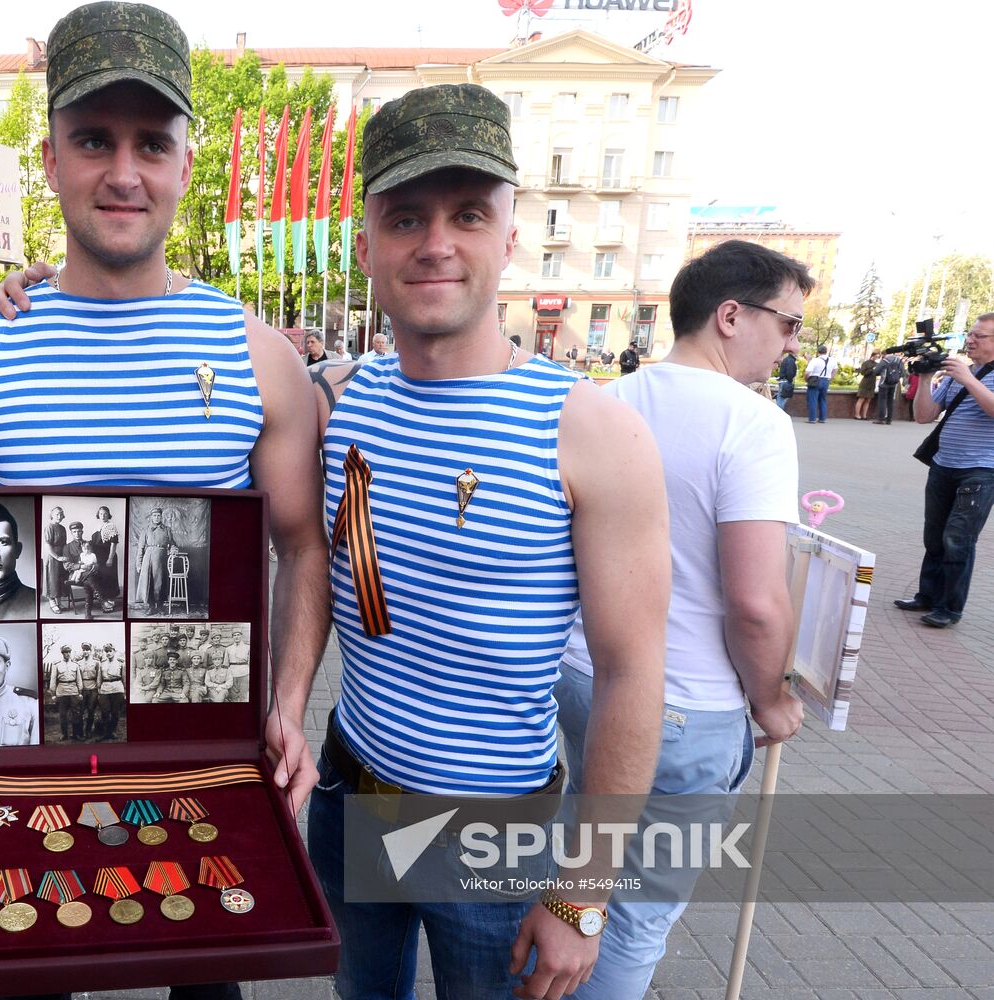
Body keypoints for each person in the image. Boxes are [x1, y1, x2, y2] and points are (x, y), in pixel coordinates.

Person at [0, 10, 329, 999]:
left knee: (208, 980)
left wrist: (290, 704)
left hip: (200, 740)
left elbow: (303, 548)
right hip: (24, 746)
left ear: (185, 163)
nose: (124, 171)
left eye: (151, 143)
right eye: (94, 139)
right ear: (49, 157)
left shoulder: (261, 358)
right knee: (29, 975)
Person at [300, 84, 671, 1000]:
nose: (435, 243)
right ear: (366, 245)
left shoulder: (588, 431)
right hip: (352, 799)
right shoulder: (336, 399)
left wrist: (584, 893)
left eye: (468, 214)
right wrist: (20, 301)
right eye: (405, 217)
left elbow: (633, 673)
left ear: (508, 235)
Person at [560, 237, 809, 997]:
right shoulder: (753, 423)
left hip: (582, 673)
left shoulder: (606, 400)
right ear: (731, 316)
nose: (793, 342)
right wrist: (771, 697)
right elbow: (757, 601)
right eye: (789, 323)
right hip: (685, 703)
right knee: (633, 914)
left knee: (577, 874)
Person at [895, 314, 994, 628]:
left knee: (958, 539)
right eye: (971, 333)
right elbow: (924, 416)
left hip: (980, 470)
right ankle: (928, 595)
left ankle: (949, 607)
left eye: (981, 336)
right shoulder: (956, 374)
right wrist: (925, 379)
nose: (971, 340)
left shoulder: (966, 375)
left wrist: (968, 379)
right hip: (943, 465)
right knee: (935, 536)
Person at [135, 506, 175, 615]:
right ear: (151, 517)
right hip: (148, 558)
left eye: (158, 515)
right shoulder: (146, 529)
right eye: (154, 515)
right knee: (150, 583)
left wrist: (173, 549)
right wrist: (138, 564)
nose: (157, 517)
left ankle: (161, 606)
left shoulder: (167, 529)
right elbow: (141, 548)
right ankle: (151, 606)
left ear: (161, 517)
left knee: (161, 582)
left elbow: (172, 544)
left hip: (162, 558)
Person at [90, 505, 121, 611]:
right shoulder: (97, 527)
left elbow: (113, 544)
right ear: (98, 515)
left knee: (109, 579)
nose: (103, 516)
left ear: (108, 515)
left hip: (108, 557)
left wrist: (110, 558)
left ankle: (111, 602)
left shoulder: (111, 526)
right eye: (101, 514)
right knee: (102, 579)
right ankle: (104, 602)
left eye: (105, 514)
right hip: (99, 558)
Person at [49, 644, 83, 740]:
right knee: (62, 715)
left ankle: (75, 734)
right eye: (65, 652)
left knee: (75, 714)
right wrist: (53, 694)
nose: (68, 654)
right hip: (62, 692)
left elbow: (79, 679)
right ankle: (64, 734)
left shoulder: (75, 665)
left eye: (69, 652)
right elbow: (53, 680)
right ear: (62, 653)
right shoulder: (57, 665)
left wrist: (80, 692)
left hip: (73, 692)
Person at [43, 505, 69, 613]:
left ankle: (59, 602)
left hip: (62, 556)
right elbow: (47, 545)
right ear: (52, 515)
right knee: (52, 579)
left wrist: (65, 557)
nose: (60, 516)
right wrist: (57, 557)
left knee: (61, 579)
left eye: (61, 514)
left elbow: (65, 544)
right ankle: (52, 602)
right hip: (53, 556)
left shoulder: (63, 528)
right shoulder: (49, 527)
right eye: (57, 514)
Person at [874, 349, 906, 424]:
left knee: (882, 400)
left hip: (883, 383)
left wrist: (881, 374)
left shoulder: (885, 360)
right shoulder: (899, 361)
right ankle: (889, 419)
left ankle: (881, 419)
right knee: (890, 401)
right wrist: (895, 378)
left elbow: (876, 371)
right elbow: (903, 373)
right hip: (894, 384)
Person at [804, 344, 833, 422]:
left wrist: (806, 379)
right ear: (826, 352)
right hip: (826, 380)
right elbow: (835, 369)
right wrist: (830, 377)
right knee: (823, 399)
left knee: (813, 400)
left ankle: (812, 419)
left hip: (815, 380)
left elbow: (807, 372)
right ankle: (822, 418)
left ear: (818, 352)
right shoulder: (832, 360)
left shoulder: (815, 360)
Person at [855, 351, 880, 420]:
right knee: (861, 398)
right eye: (876, 356)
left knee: (868, 400)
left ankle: (864, 415)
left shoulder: (877, 364)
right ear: (873, 355)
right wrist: (872, 370)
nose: (877, 358)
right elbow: (863, 372)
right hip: (865, 383)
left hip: (872, 383)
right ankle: (857, 414)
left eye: (878, 357)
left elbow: (877, 373)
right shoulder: (866, 363)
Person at [775, 347, 798, 412]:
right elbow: (790, 372)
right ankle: (778, 414)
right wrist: (790, 380)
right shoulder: (790, 361)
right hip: (786, 381)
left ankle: (778, 414)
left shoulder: (787, 360)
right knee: (782, 399)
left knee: (781, 398)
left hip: (783, 381)